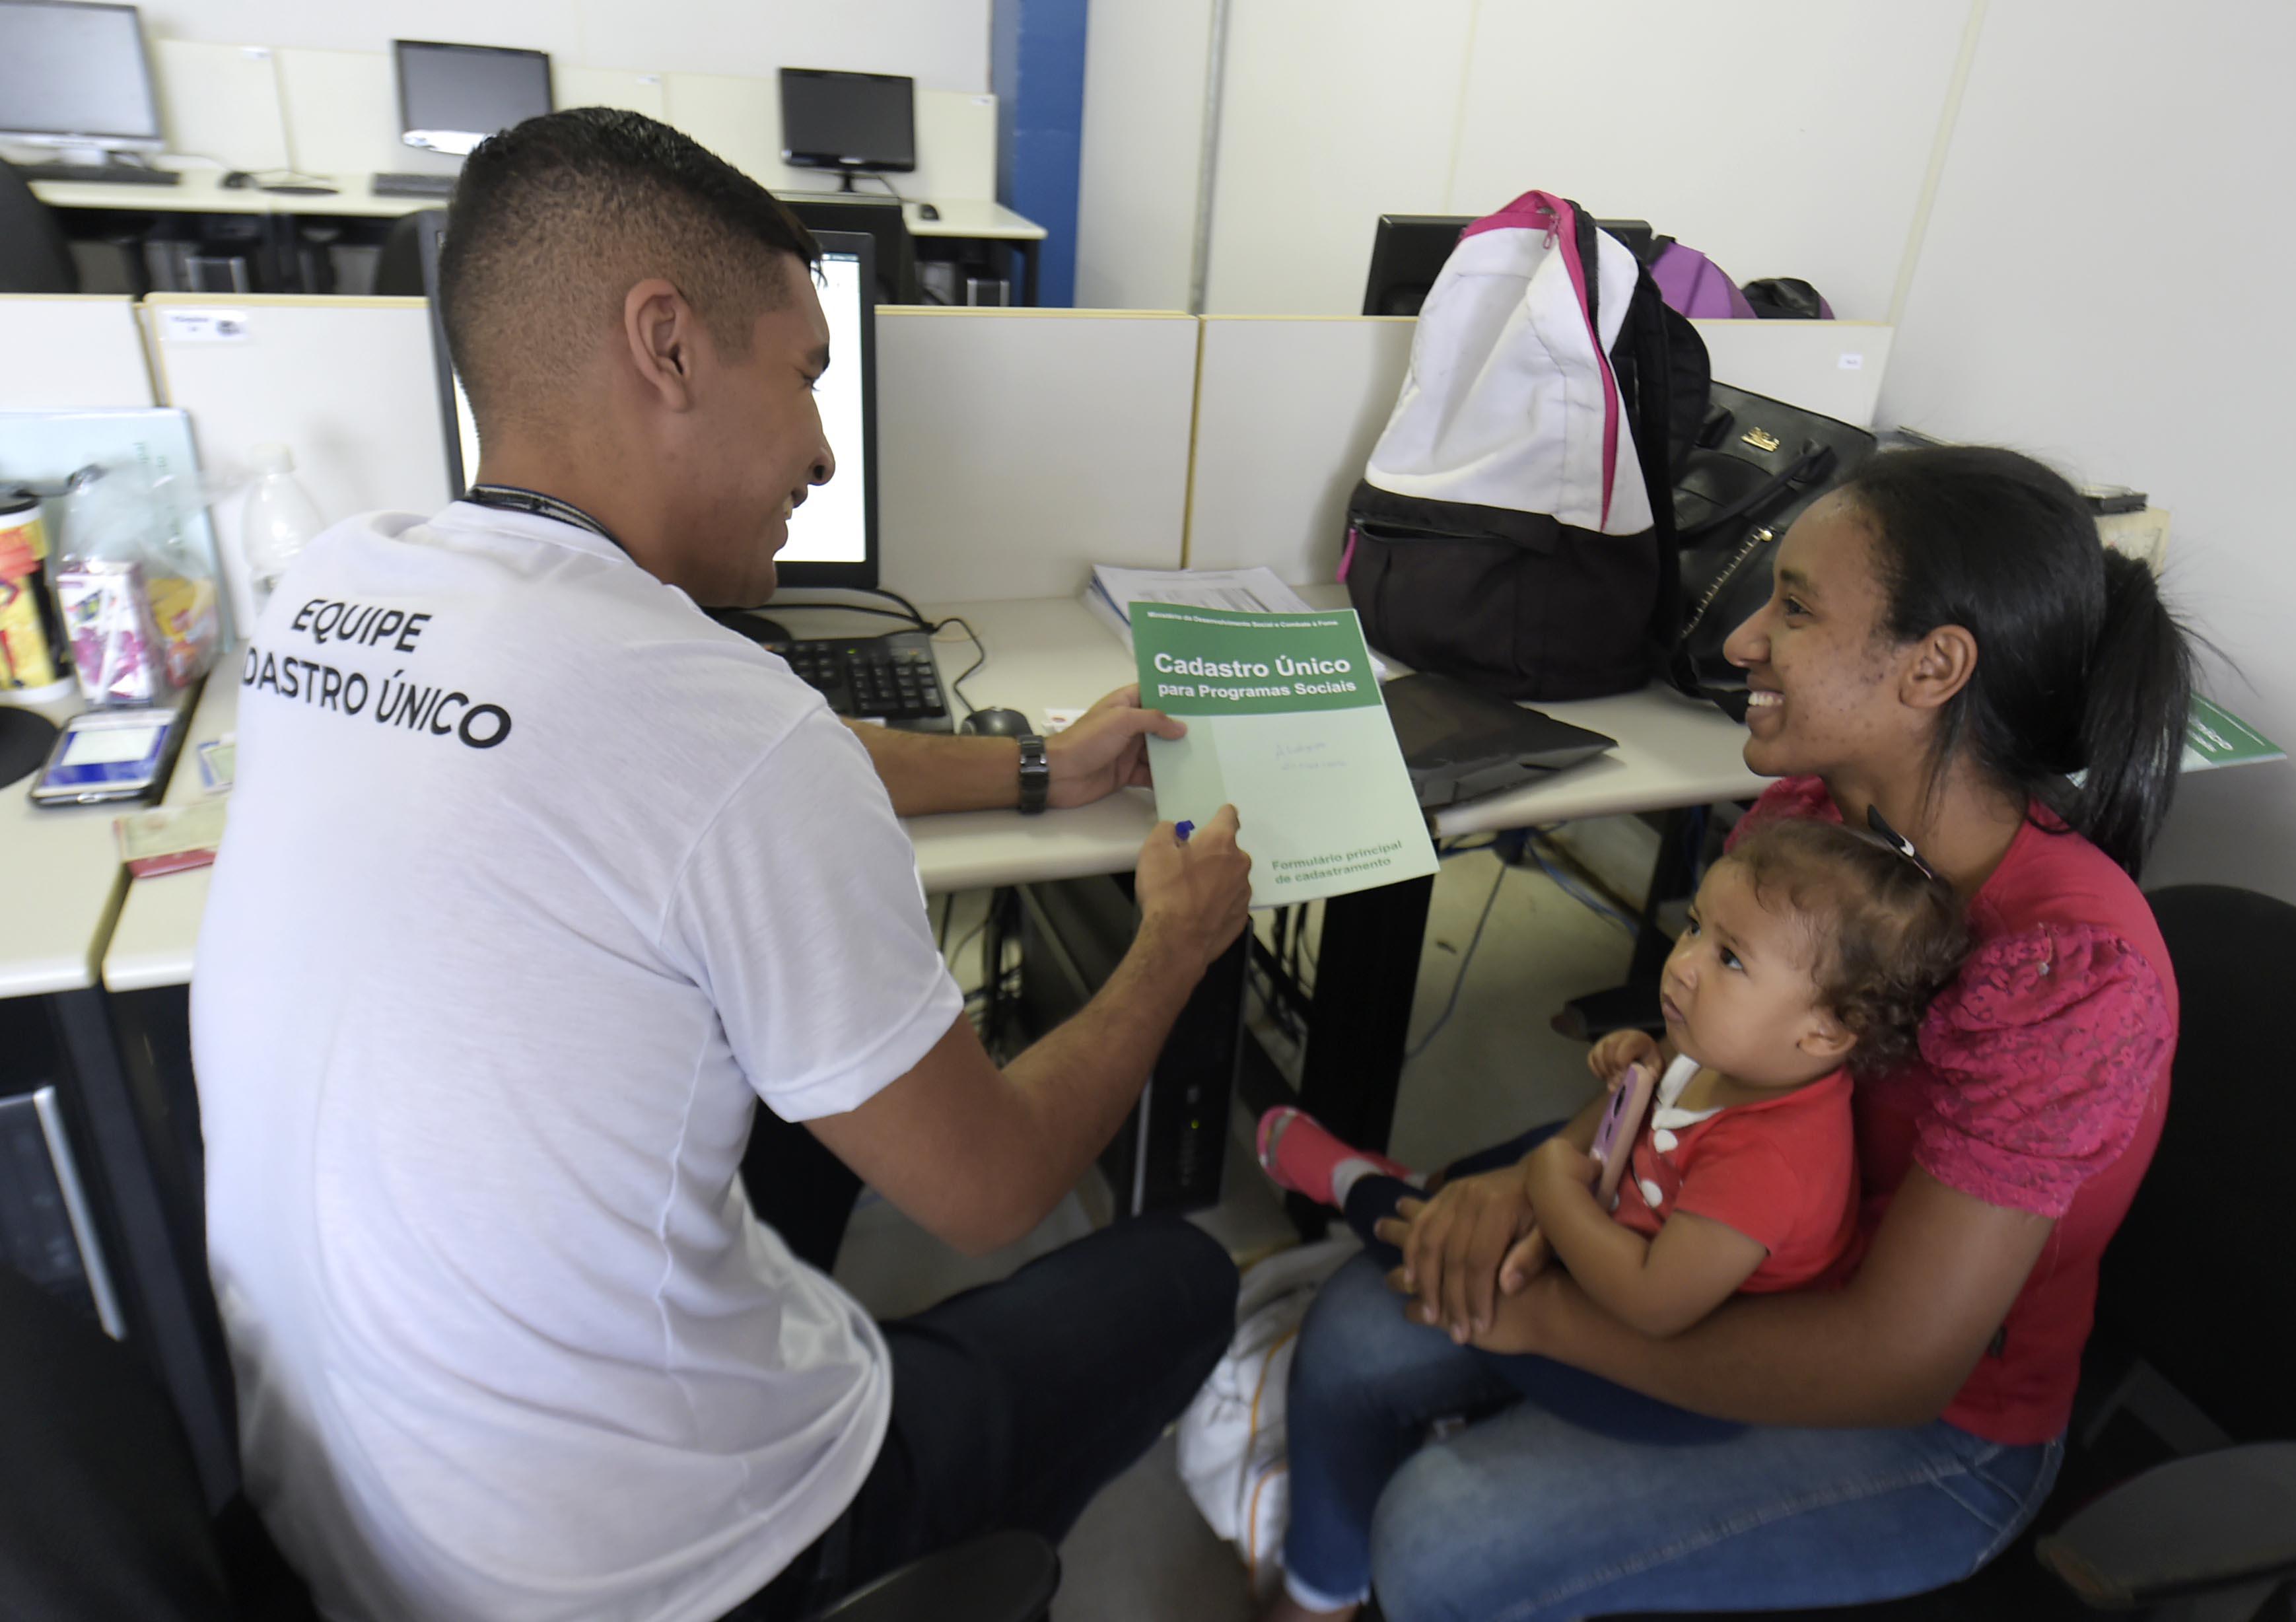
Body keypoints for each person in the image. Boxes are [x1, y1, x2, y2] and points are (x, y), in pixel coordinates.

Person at [191, 109, 1253, 1622]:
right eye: (807, 372)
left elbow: (698, 766)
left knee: (801, 1071)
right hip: (651, 1576)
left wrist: (1036, 768)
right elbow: (1000, 1185)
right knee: (1183, 1279)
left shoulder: (331, 587)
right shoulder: (726, 727)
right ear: (669, 345)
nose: (823, 446)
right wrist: (1173, 944)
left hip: (343, 1519)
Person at [1270, 444, 2194, 1621]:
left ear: (1934, 667)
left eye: (1794, 608)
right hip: (1721, 1239)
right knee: (1358, 1334)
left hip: (1931, 1425)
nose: (1742, 638)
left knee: (1446, 1537)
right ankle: (1313, 1598)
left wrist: (1551, 1316)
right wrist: (1540, 1174)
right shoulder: (1817, 813)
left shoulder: (2065, 973)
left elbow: (1898, 1365)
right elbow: (1697, 1048)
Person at [1254, 817, 1970, 1614]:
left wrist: (1547, 1180)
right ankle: (1410, 1190)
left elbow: (1652, 1303)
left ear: (1827, 1029)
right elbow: (1655, 1117)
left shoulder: (1771, 1161)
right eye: (1694, 925)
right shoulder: (1737, 1054)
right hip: (1623, 1250)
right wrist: (1642, 1067)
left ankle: (1357, 1184)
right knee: (1446, 1248)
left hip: (1661, 1381)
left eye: (1730, 958)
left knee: (1445, 1264)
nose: (1684, 962)